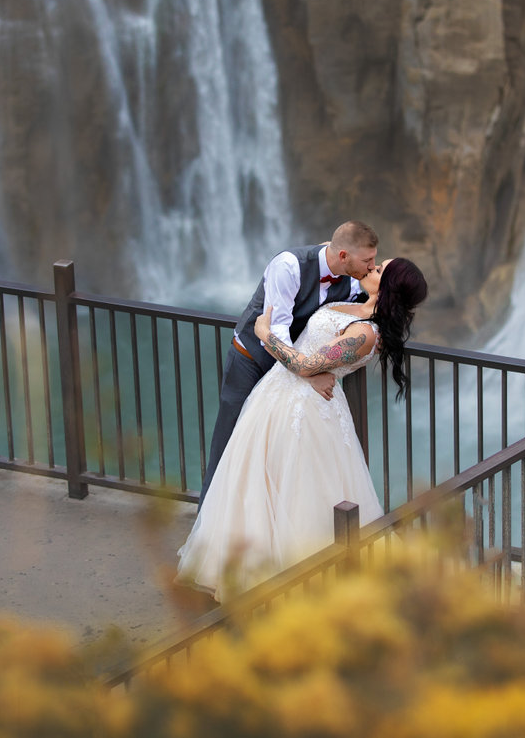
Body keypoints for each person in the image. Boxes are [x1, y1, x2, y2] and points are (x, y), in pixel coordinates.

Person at [176, 257, 428, 600]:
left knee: (299, 494)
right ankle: (243, 570)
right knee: (254, 484)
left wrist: (265, 334)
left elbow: (307, 363)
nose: (371, 269)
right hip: (275, 398)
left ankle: (294, 586)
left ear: (389, 289)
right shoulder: (351, 302)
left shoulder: (366, 333)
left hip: (307, 413)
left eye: (379, 270)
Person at [199, 221, 379, 498]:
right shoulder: (289, 265)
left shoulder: (354, 277)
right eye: (368, 260)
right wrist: (309, 375)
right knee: (230, 445)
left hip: (293, 371)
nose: (371, 265)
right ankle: (209, 523)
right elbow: (275, 329)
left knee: (277, 453)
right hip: (252, 360)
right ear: (343, 256)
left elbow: (369, 306)